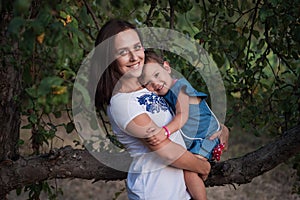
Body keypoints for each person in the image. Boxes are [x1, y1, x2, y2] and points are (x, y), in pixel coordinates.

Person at [92, 19, 229, 200]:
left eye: (137, 47)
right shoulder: (121, 103)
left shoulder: (150, 85)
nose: (134, 57)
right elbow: (164, 150)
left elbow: (188, 112)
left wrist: (220, 129)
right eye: (123, 52)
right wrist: (203, 166)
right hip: (155, 192)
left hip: (181, 192)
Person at [139, 50, 228, 199]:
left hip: (206, 137)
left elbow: (183, 115)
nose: (154, 83)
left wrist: (165, 132)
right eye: (148, 82)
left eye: (156, 75)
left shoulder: (180, 87)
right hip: (195, 139)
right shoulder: (162, 94)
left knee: (190, 170)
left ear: (167, 67)